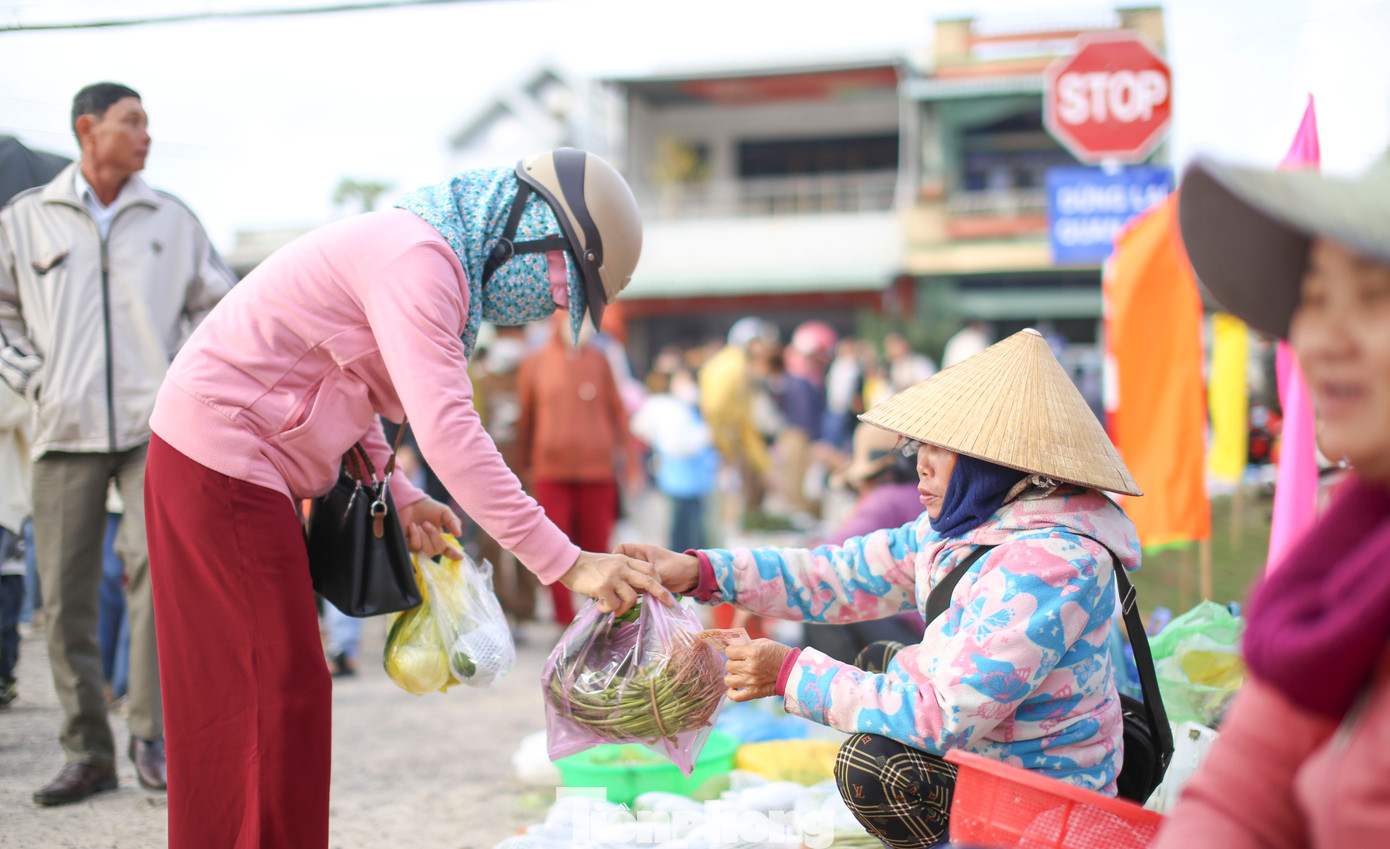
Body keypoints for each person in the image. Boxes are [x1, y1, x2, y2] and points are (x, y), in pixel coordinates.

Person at [142, 147, 672, 848]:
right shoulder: (420, 262)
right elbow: (450, 430)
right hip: (223, 461)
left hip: (224, 458)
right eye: (559, 280)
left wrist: (399, 488)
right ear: (526, 227)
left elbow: (345, 377)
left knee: (244, 694)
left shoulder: (428, 250)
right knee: (274, 692)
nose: (549, 303)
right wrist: (569, 563)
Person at [619, 328, 1144, 848]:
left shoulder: (1051, 565)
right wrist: (701, 573)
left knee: (872, 766)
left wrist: (787, 672)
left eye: (945, 448)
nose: (920, 462)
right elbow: (839, 575)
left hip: (1041, 802)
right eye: (921, 444)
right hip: (990, 757)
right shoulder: (970, 525)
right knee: (878, 657)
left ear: (1000, 461)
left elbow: (945, 715)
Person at [0, 82, 237, 805]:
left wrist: (184, 385)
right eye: (130, 122)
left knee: (157, 575)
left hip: (155, 430)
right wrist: (35, 381)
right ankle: (87, 751)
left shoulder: (172, 219)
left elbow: (220, 310)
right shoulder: (26, 221)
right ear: (87, 129)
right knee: (67, 593)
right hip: (62, 430)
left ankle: (151, 737)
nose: (145, 135)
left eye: (147, 122)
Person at [1150, 151, 1390, 848]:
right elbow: (1235, 800)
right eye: (1313, 299)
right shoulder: (1348, 573)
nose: (1319, 338)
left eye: (1375, 297)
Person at [516, 310, 639, 626]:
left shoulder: (600, 361)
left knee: (598, 548)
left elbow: (618, 413)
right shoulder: (535, 363)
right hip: (551, 471)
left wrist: (632, 465)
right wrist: (522, 467)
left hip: (597, 472)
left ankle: (598, 619)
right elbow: (525, 420)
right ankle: (564, 620)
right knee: (554, 549)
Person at [0, 379, 30, 709]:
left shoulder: (9, 360)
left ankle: (3, 675)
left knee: (7, 594)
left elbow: (12, 407)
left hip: (4, 507)